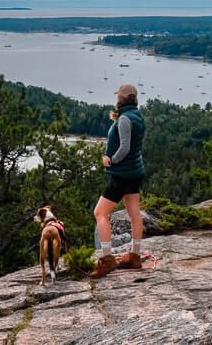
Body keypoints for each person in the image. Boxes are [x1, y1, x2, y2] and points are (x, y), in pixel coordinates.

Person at [89, 83, 146, 278]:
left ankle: (107, 260)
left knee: (100, 213)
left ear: (121, 99)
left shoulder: (124, 119)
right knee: (134, 214)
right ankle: (135, 257)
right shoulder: (138, 116)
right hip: (135, 171)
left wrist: (109, 161)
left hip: (122, 174)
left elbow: (124, 148)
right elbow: (134, 148)